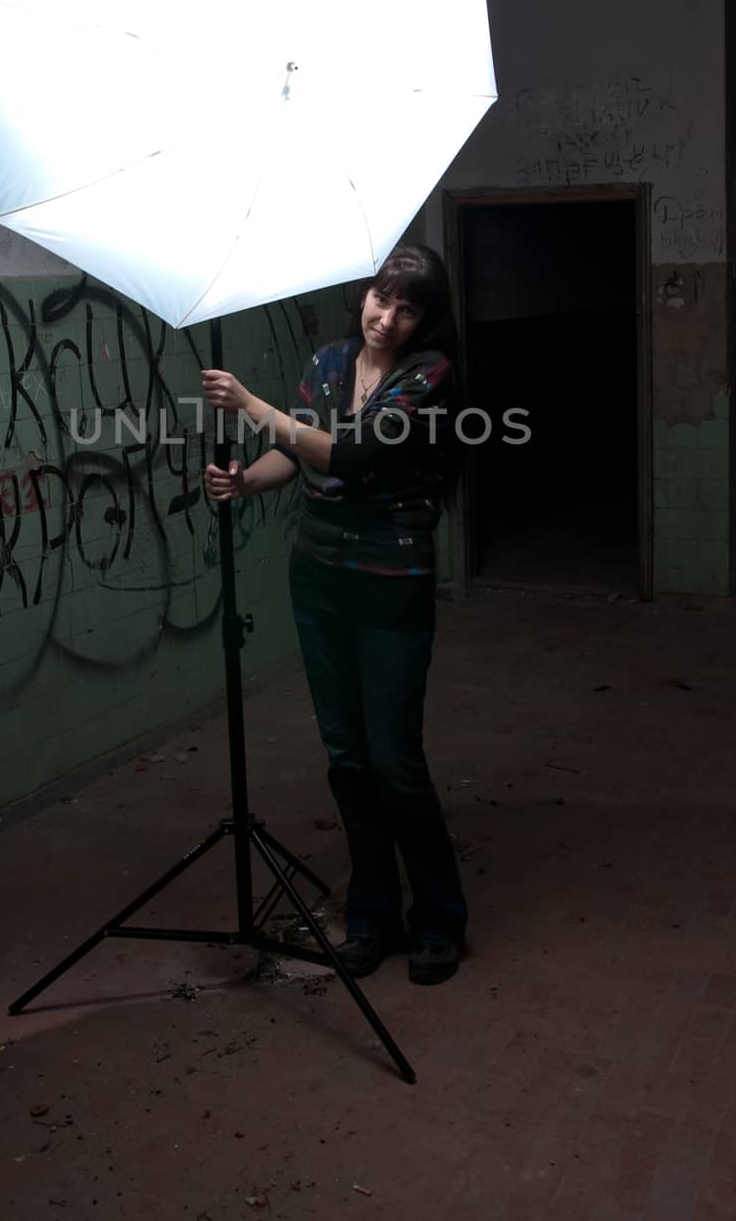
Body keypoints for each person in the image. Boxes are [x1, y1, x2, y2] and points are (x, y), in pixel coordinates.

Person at [201, 243, 467, 985]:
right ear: (365, 295)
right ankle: (372, 916)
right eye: (382, 298)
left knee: (393, 762)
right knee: (347, 761)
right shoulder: (326, 364)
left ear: (425, 318)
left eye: (408, 306)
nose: (387, 317)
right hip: (318, 584)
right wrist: (244, 482)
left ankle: (439, 920)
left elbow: (347, 455)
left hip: (390, 590)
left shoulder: (429, 377)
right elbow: (300, 452)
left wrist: (248, 405)